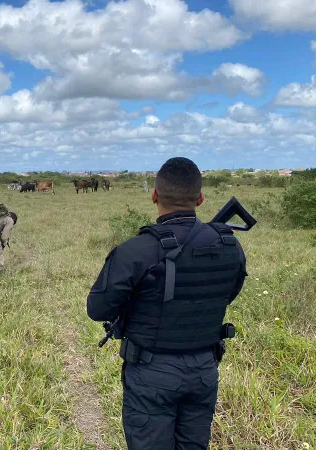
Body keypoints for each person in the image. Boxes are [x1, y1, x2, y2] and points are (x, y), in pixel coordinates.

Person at [86, 157, 247, 450]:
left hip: (151, 370)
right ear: (200, 198)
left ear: (154, 195)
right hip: (204, 368)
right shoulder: (229, 244)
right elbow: (229, 292)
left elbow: (98, 309)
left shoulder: (135, 250)